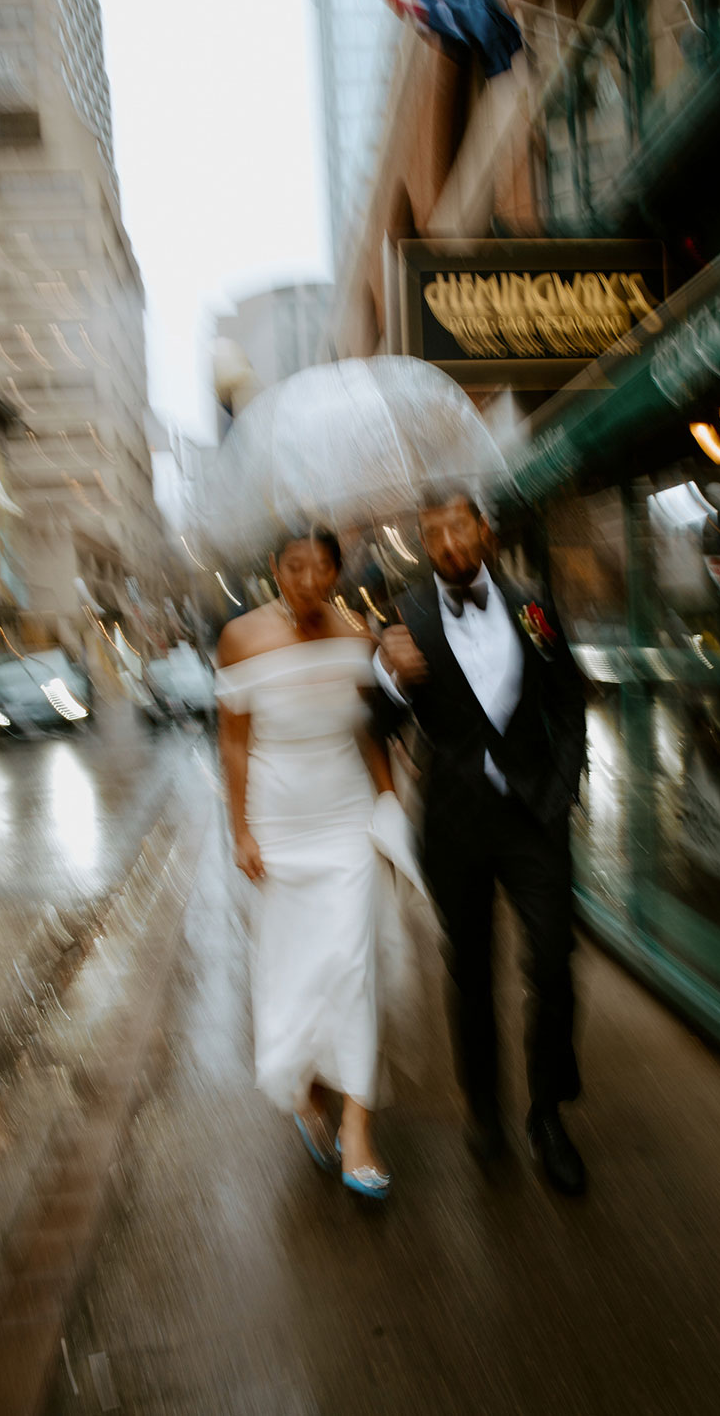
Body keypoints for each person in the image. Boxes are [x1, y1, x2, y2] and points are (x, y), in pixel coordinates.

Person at [376, 489, 588, 1195]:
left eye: (457, 526)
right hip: (455, 821)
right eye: (431, 532)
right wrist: (389, 677)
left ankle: (548, 1115)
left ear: (484, 532)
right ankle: (485, 1110)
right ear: (424, 544)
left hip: (534, 816)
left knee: (553, 963)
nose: (447, 541)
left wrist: (562, 789)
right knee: (470, 972)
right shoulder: (405, 614)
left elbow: (568, 698)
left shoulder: (533, 604)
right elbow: (375, 720)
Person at [216, 525, 421, 1200]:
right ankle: (304, 1086)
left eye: (321, 567)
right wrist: (241, 830)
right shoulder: (240, 638)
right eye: (294, 566)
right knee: (294, 967)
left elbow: (369, 730)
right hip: (278, 825)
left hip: (346, 820)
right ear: (275, 568)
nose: (307, 579)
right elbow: (236, 744)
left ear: (337, 571)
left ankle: (358, 1127)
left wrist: (388, 803)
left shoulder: (359, 633)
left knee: (351, 963)